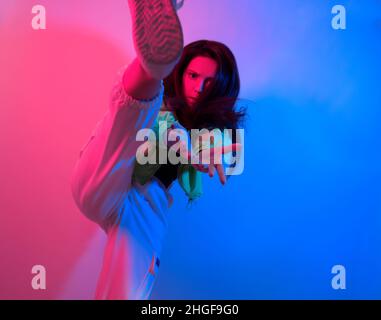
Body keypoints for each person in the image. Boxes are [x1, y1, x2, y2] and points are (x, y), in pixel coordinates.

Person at [70, 0, 245, 300]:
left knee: (130, 287)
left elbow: (225, 151)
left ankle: (153, 65)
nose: (199, 88)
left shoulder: (213, 131)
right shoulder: (165, 106)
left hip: (144, 202)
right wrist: (185, 147)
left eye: (209, 82)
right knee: (140, 114)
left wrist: (212, 150)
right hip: (109, 170)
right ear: (181, 72)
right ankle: (150, 65)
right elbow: (170, 130)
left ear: (221, 89)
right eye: (193, 76)